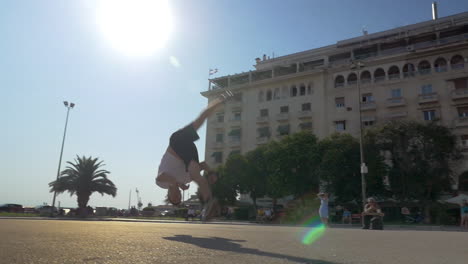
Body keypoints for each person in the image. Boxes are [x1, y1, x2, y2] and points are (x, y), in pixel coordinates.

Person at [155, 90, 233, 219]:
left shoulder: (161, 183)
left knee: (200, 121)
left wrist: (175, 183)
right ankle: (210, 203)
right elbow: (202, 165)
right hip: (188, 149)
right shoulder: (186, 179)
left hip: (176, 142)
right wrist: (211, 173)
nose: (177, 196)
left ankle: (220, 100)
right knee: (196, 175)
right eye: (178, 197)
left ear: (168, 196)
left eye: (174, 197)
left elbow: (162, 176)